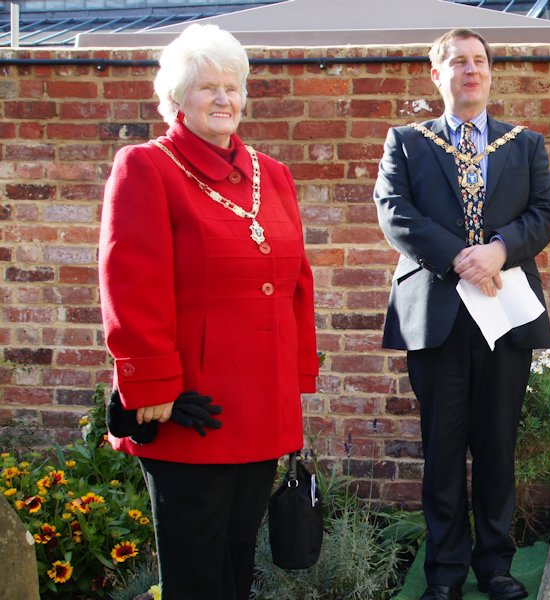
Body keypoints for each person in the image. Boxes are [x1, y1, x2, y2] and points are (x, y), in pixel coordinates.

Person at [98, 24, 318, 600]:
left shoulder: (275, 175)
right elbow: (130, 283)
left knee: (238, 565)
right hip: (190, 409)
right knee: (197, 573)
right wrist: (153, 390)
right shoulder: (146, 166)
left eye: (232, 87)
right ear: (176, 99)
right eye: (206, 88)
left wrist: (293, 382)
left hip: (260, 406)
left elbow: (297, 284)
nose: (224, 99)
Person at [373, 28, 550, 600]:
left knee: (497, 445)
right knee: (444, 449)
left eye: (479, 61)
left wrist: (499, 250)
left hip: (505, 312)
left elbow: (545, 212)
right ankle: (444, 574)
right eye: (458, 62)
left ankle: (496, 567)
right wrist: (460, 259)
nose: (470, 70)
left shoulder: (523, 144)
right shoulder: (408, 141)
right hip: (437, 313)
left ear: (490, 72)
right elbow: (394, 212)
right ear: (438, 74)